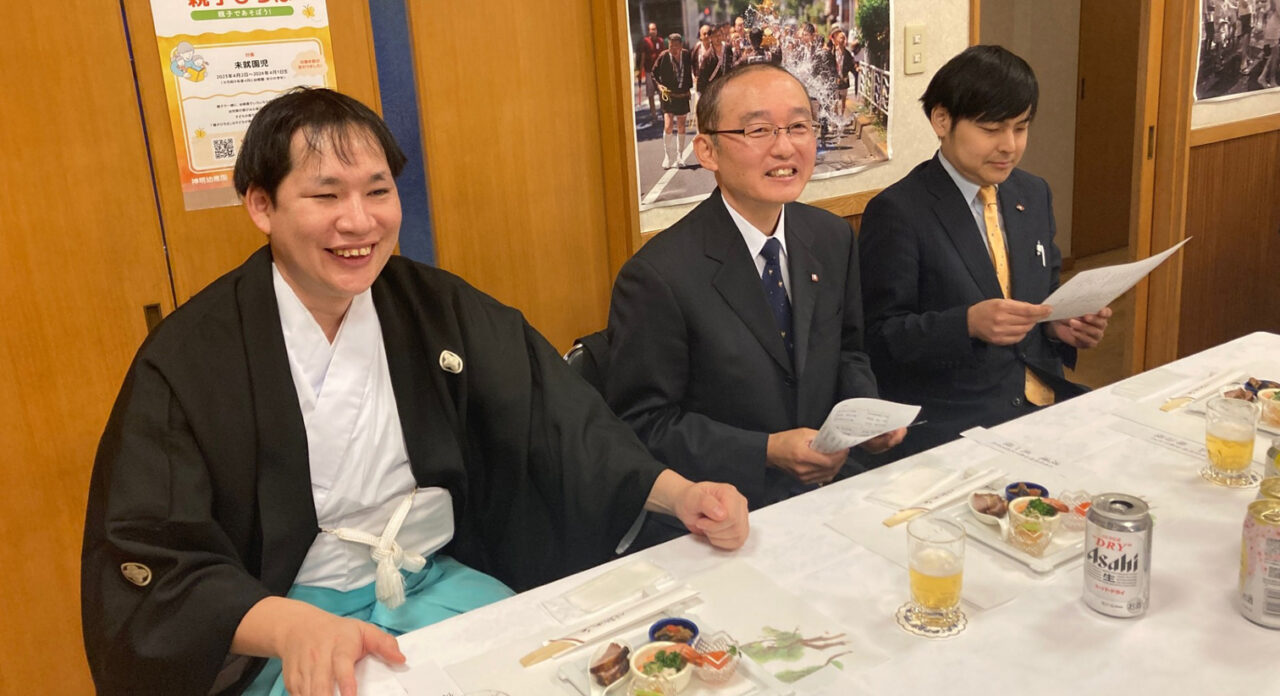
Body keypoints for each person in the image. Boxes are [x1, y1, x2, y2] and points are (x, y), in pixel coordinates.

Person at [81, 87, 750, 696]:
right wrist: (283, 626)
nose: (359, 222)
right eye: (326, 196)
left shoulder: (433, 307)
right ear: (262, 205)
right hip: (285, 625)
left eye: (377, 191)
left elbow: (559, 419)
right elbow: (151, 550)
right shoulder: (191, 358)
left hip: (433, 584)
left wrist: (680, 495)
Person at [607, 64, 905, 532]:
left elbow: (848, 351)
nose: (784, 147)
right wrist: (766, 451)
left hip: (835, 490)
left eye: (799, 126)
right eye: (758, 130)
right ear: (707, 150)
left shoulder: (831, 237)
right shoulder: (657, 276)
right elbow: (643, 424)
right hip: (725, 513)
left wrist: (866, 415)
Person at [858, 45, 1111, 459]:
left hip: (1044, 401)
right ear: (942, 120)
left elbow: (1044, 294)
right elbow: (878, 340)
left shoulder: (1032, 192)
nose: (1009, 146)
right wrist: (967, 324)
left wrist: (1059, 325)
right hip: (957, 419)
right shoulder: (899, 211)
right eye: (991, 129)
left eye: (1021, 128)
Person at [654, 33, 694, 169]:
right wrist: (659, 86)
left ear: (681, 46)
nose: (673, 49)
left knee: (681, 126)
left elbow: (693, 69)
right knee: (668, 125)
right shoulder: (663, 56)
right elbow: (654, 73)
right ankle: (667, 156)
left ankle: (680, 156)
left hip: (682, 95)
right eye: (671, 46)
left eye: (676, 46)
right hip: (669, 96)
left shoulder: (687, 55)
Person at [635, 23, 665, 123]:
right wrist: (640, 71)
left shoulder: (660, 41)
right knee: (650, 94)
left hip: (660, 71)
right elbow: (643, 57)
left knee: (662, 92)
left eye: (654, 29)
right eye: (651, 29)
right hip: (649, 71)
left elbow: (664, 56)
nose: (653, 31)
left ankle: (663, 111)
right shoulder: (645, 42)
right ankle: (654, 114)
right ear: (648, 31)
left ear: (657, 30)